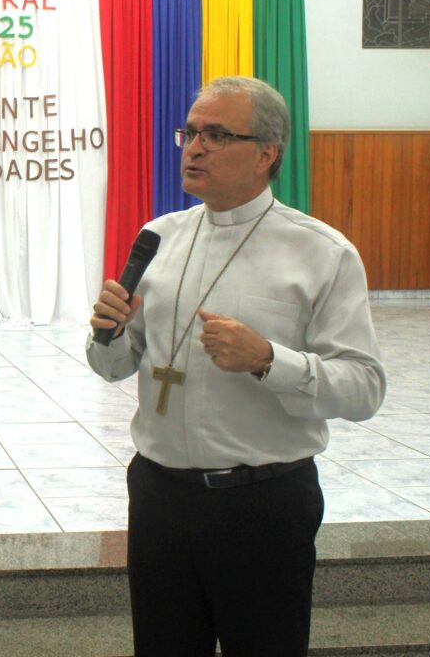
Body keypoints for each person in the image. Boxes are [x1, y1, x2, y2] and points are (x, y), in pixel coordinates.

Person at [85, 76, 386, 656]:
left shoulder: (322, 253)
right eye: (190, 132)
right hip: (159, 497)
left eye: (217, 134)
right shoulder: (160, 238)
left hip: (261, 505)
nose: (194, 147)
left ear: (267, 153)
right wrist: (109, 335)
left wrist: (270, 360)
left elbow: (365, 388)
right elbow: (116, 367)